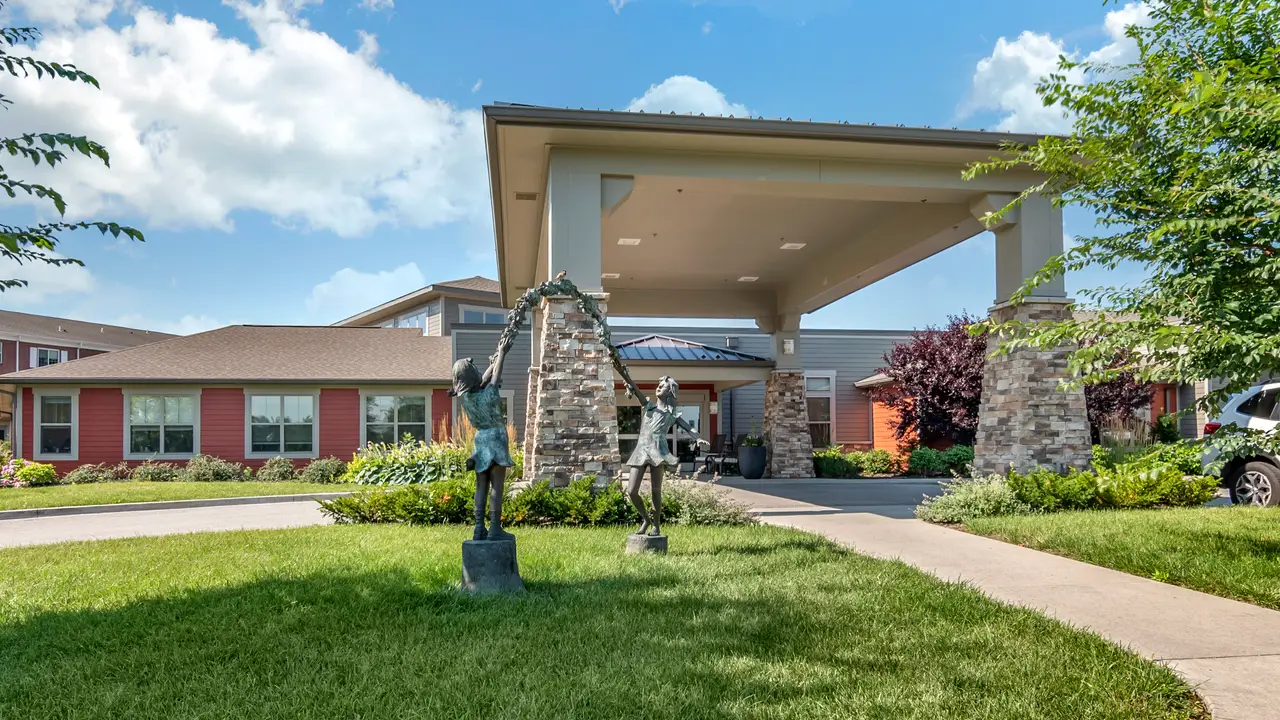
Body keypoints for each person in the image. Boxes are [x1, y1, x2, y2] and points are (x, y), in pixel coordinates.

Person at [616, 372, 710, 536]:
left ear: (670, 392)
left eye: (663, 386)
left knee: (656, 490)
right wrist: (626, 377)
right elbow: (636, 389)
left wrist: (698, 438)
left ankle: (656, 526)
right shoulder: (648, 406)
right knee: (631, 491)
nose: (659, 387)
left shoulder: (671, 415)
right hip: (641, 450)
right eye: (658, 385)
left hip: (659, 451)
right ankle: (646, 519)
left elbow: (689, 427)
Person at [450, 334, 516, 542]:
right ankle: (495, 528)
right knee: (497, 486)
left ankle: (479, 528)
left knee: (481, 485)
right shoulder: (488, 395)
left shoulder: (467, 398)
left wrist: (493, 362)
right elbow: (493, 380)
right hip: (495, 439)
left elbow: (484, 380)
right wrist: (502, 355)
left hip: (480, 441)